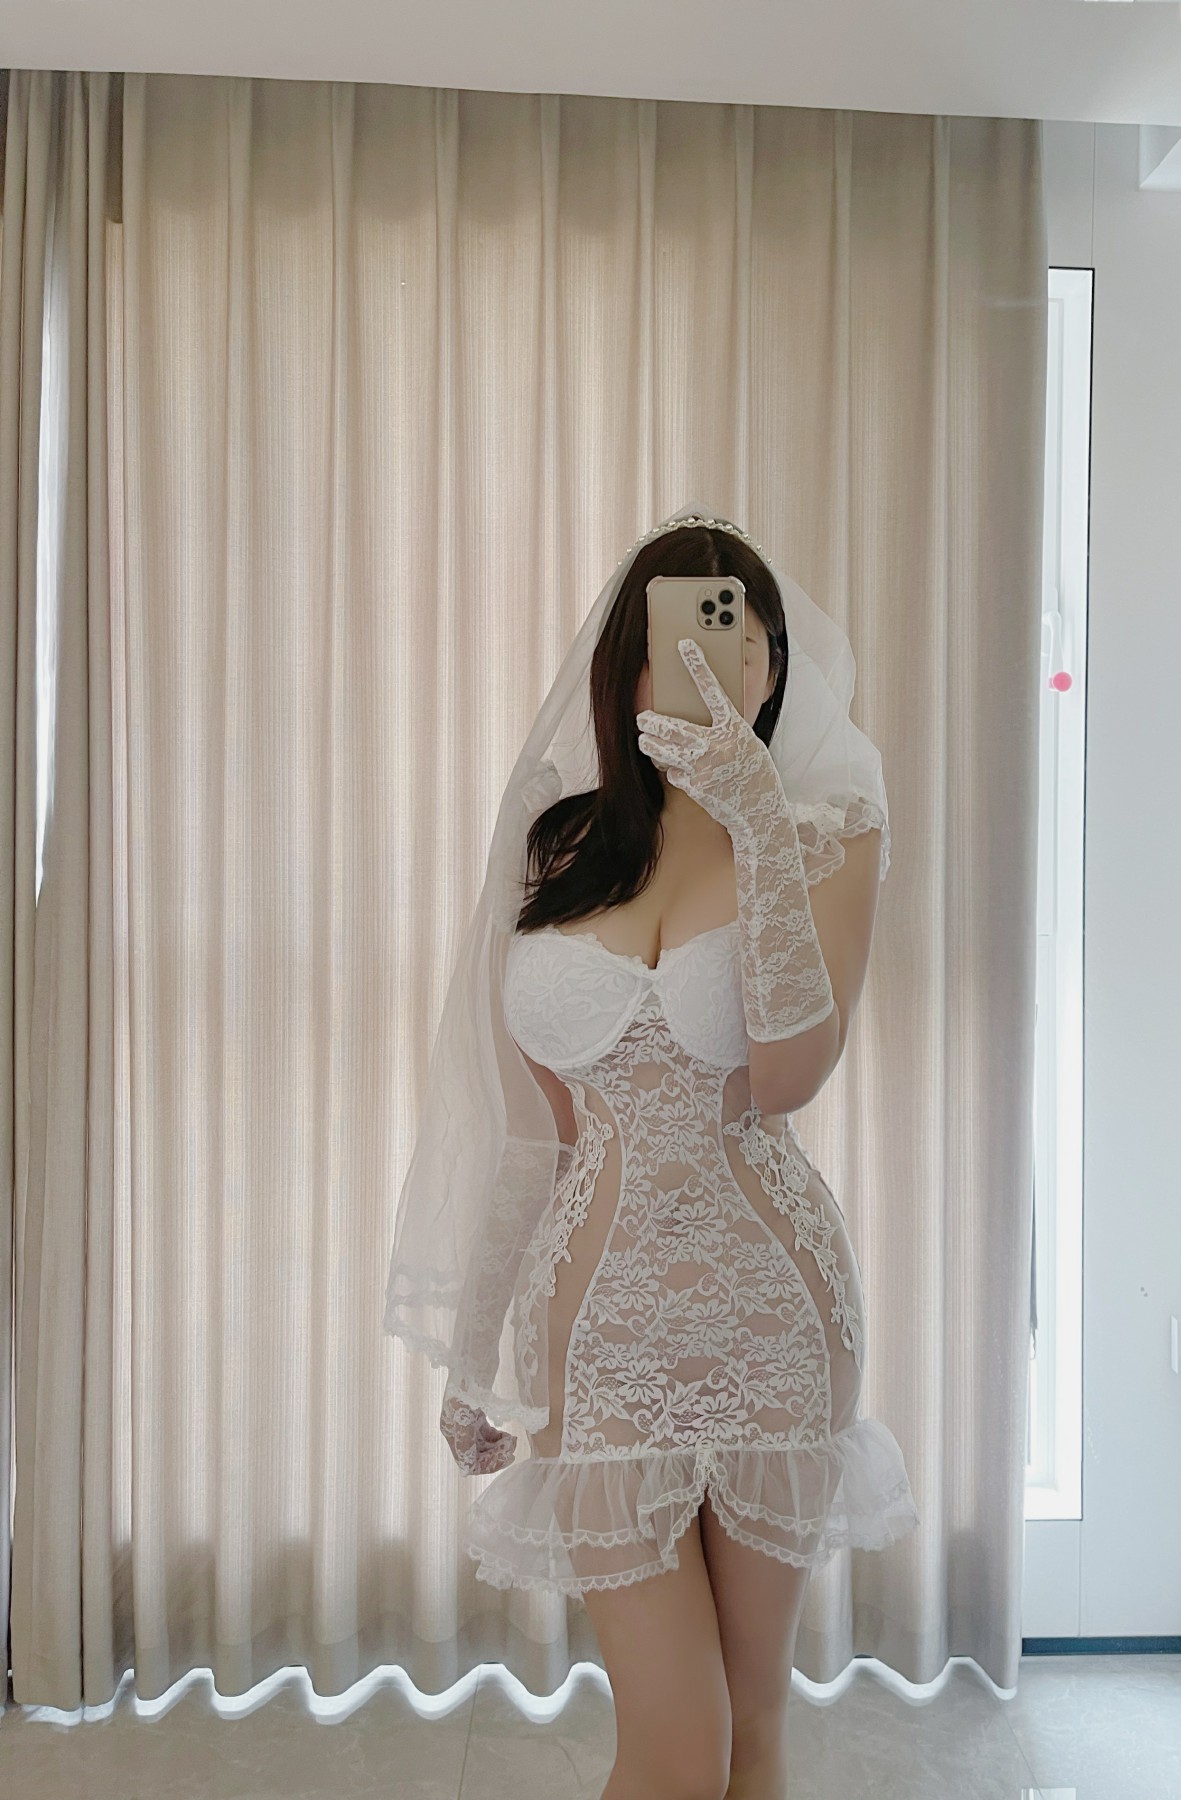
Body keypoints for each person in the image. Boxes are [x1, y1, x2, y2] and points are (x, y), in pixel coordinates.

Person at [385, 500, 919, 1800]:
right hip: (601, 1334)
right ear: (621, 668)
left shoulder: (825, 832)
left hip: (773, 1314)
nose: (716, 668)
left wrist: (756, 823)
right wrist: (474, 1347)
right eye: (678, 642)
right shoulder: (560, 845)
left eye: (745, 641)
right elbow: (537, 1136)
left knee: (751, 1737)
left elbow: (788, 1076)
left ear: (775, 668)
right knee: (675, 1750)